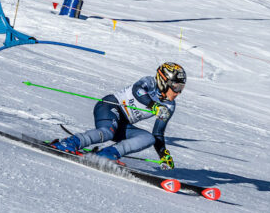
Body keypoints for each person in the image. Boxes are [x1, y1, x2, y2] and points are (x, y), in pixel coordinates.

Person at [51, 62, 186, 168]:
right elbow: (137, 90)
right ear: (164, 81)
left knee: (148, 138)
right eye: (177, 87)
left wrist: (163, 155)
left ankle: (107, 154)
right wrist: (154, 106)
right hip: (110, 106)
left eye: (181, 88)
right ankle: (69, 143)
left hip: (122, 122)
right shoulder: (150, 82)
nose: (178, 93)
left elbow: (158, 133)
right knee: (107, 132)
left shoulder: (169, 105)